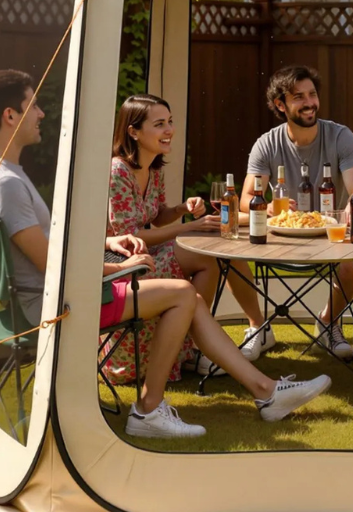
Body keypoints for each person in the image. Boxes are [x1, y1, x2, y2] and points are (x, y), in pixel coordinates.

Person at [0, 69, 331, 440]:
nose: (42, 114)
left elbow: (55, 250)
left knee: (187, 292)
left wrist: (110, 244)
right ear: (10, 116)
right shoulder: (8, 185)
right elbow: (53, 266)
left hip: (39, 297)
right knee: (183, 294)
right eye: (34, 105)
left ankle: (266, 393)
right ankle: (149, 410)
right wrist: (118, 265)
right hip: (58, 303)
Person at [108, 94, 267, 369]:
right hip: (122, 264)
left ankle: (191, 346)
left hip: (145, 254)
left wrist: (182, 208)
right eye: (159, 124)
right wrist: (190, 226)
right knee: (205, 253)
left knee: (209, 255)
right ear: (133, 131)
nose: (169, 130)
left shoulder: (153, 167)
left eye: (169, 122)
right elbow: (130, 236)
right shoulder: (118, 172)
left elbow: (157, 218)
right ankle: (195, 347)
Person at [242, 65, 353, 360]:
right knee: (229, 257)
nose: (309, 102)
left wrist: (348, 222)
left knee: (351, 265)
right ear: (280, 105)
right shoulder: (267, 144)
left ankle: (328, 321)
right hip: (281, 236)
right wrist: (269, 207)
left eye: (312, 94)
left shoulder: (340, 136)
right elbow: (247, 197)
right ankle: (258, 327)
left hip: (329, 233)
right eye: (299, 97)